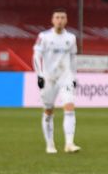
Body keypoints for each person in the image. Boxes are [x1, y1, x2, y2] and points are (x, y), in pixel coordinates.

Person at [34, 9, 80, 153]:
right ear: (52, 20)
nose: (60, 20)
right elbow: (36, 56)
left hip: (65, 77)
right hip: (49, 78)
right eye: (57, 17)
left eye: (62, 17)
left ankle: (69, 144)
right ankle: (50, 144)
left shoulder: (71, 38)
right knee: (48, 110)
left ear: (66, 20)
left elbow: (73, 58)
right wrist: (39, 75)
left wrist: (74, 76)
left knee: (69, 106)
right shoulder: (44, 37)